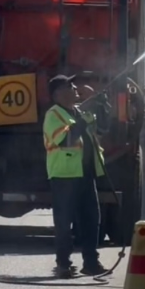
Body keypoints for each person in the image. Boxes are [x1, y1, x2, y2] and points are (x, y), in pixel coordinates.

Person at [43, 74, 107, 278]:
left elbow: (102, 130)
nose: (74, 88)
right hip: (65, 175)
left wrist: (101, 106)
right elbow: (66, 140)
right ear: (58, 94)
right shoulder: (53, 115)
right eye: (69, 86)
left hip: (85, 173)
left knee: (91, 219)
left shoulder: (78, 112)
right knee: (64, 222)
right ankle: (63, 264)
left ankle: (91, 263)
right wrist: (82, 122)